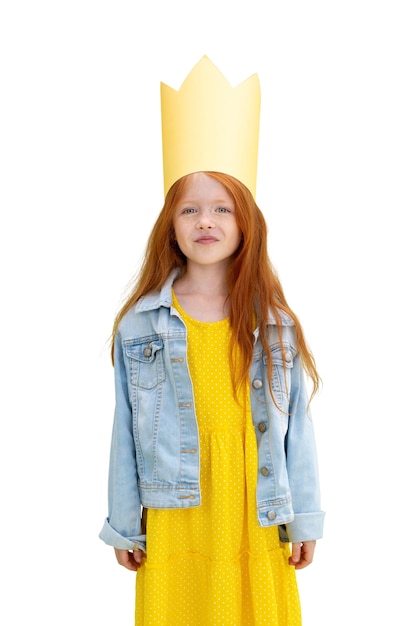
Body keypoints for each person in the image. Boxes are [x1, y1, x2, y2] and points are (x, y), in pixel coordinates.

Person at [99, 169, 325, 625]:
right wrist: (124, 524)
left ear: (246, 225)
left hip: (254, 505)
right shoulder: (141, 323)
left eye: (222, 209)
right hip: (178, 508)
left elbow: (297, 427)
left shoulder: (275, 321)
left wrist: (304, 516)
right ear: (171, 226)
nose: (206, 221)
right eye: (190, 210)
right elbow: (125, 428)